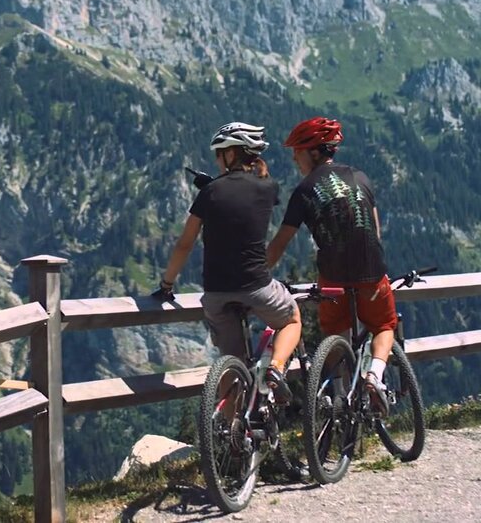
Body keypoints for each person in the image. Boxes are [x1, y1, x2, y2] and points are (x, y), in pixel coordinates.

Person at [155, 122, 303, 403]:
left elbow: (184, 243)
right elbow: (253, 192)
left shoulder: (210, 193)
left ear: (231, 154)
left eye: (219, 153)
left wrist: (167, 284)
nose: (216, 159)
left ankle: (234, 438)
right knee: (292, 319)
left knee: (229, 361)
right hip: (257, 286)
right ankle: (275, 369)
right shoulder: (268, 189)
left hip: (215, 292)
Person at [265, 117, 393, 413]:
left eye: (297, 150)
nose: (294, 158)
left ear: (313, 151)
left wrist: (259, 275)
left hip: (333, 278)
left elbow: (280, 243)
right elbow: (374, 230)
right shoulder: (360, 177)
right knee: (384, 325)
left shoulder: (303, 190)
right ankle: (375, 374)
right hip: (371, 271)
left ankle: (339, 396)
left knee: (336, 335)